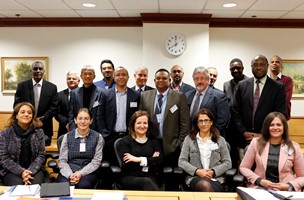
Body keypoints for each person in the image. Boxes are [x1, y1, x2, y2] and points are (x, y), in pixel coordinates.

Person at [232, 55, 286, 157]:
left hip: (268, 139)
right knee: (245, 170)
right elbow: (235, 110)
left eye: (262, 64)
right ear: (251, 67)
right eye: (255, 65)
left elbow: (280, 114)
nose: (258, 67)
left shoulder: (278, 87)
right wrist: (243, 132)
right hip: (244, 139)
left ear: (267, 66)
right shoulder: (242, 85)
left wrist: (263, 135)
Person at [239, 112, 304, 191]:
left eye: (279, 125)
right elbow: (244, 167)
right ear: (267, 127)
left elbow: (302, 177)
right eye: (271, 125)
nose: (275, 128)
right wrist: (260, 181)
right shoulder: (256, 143)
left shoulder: (294, 147)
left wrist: (288, 186)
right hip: (260, 188)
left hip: (285, 190)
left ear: (284, 127)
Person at [139, 68, 190, 167]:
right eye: (158, 78)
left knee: (169, 174)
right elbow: (140, 119)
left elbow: (185, 123)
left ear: (170, 80)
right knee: (152, 171)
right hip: (150, 143)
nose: (161, 80)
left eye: (164, 78)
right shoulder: (145, 96)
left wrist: (178, 142)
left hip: (171, 145)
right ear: (154, 81)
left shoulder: (179, 97)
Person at [178, 108, 232, 192]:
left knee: (207, 186)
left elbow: (227, 163)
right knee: (204, 185)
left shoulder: (220, 140)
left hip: (216, 179)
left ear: (211, 122)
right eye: (200, 121)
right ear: (197, 123)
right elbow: (182, 161)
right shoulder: (189, 139)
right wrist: (197, 171)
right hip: (195, 178)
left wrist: (213, 172)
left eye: (206, 120)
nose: (203, 124)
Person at [97, 66, 140, 165]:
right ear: (113, 77)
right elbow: (100, 116)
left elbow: (138, 116)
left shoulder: (136, 95)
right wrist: (104, 133)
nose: (121, 77)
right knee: (110, 164)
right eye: (118, 75)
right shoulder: (105, 94)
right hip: (110, 137)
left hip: (129, 137)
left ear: (128, 77)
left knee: (127, 164)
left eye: (124, 74)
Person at [57, 108, 104, 189]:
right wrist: (70, 175)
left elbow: (96, 161)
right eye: (80, 118)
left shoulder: (98, 137)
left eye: (86, 119)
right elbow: (62, 160)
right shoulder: (67, 136)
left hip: (88, 172)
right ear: (75, 120)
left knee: (83, 185)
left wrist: (80, 173)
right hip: (69, 169)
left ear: (91, 121)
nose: (83, 121)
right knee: (63, 186)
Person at [0, 102, 45, 186]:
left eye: (29, 113)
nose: (26, 114)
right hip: (11, 170)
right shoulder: (5, 133)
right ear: (16, 115)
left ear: (32, 116)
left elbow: (41, 156)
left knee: (35, 186)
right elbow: (4, 158)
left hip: (35, 169)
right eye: (22, 112)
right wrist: (21, 172)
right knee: (19, 186)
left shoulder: (39, 132)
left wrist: (28, 172)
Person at [117, 110, 163, 190]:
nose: (142, 126)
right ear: (133, 125)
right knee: (147, 182)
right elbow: (127, 164)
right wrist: (150, 160)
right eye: (139, 123)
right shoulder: (124, 141)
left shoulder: (154, 141)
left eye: (145, 123)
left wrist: (137, 159)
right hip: (130, 177)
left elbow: (159, 160)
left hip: (150, 176)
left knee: (149, 181)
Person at [14, 61, 58, 144]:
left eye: (40, 69)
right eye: (35, 69)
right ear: (31, 71)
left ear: (44, 71)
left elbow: (54, 107)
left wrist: (42, 119)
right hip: (24, 127)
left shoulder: (52, 87)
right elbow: (16, 105)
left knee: (43, 153)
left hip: (45, 128)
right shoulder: (22, 86)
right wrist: (28, 117)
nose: (38, 71)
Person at [185, 67, 230, 135]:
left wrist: (210, 136)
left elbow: (222, 121)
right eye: (196, 79)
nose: (199, 81)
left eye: (202, 78)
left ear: (208, 80)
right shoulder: (187, 96)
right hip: (189, 137)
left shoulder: (219, 97)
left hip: (209, 139)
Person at [223, 58, 248, 168]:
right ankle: (232, 181)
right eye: (233, 69)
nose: (236, 70)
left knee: (245, 156)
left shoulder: (249, 82)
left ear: (243, 68)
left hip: (244, 126)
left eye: (238, 68)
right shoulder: (226, 85)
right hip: (231, 127)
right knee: (231, 155)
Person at [68, 65, 102, 132]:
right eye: (85, 74)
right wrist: (73, 130)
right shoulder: (74, 93)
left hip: (97, 130)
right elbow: (71, 114)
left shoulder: (102, 92)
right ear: (81, 76)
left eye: (90, 74)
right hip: (78, 130)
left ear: (94, 76)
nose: (87, 76)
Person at [55, 71, 80, 138]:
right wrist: (67, 123)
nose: (71, 80)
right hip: (63, 130)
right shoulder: (59, 95)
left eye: (73, 79)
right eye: (69, 79)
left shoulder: (83, 94)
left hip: (80, 128)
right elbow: (56, 113)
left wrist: (73, 124)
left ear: (79, 81)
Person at [269, 55, 293, 120]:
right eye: (272, 62)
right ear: (269, 65)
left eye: (277, 62)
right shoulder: (265, 80)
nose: (274, 63)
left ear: (281, 66)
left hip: (282, 116)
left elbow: (286, 99)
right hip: (267, 117)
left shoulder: (287, 80)